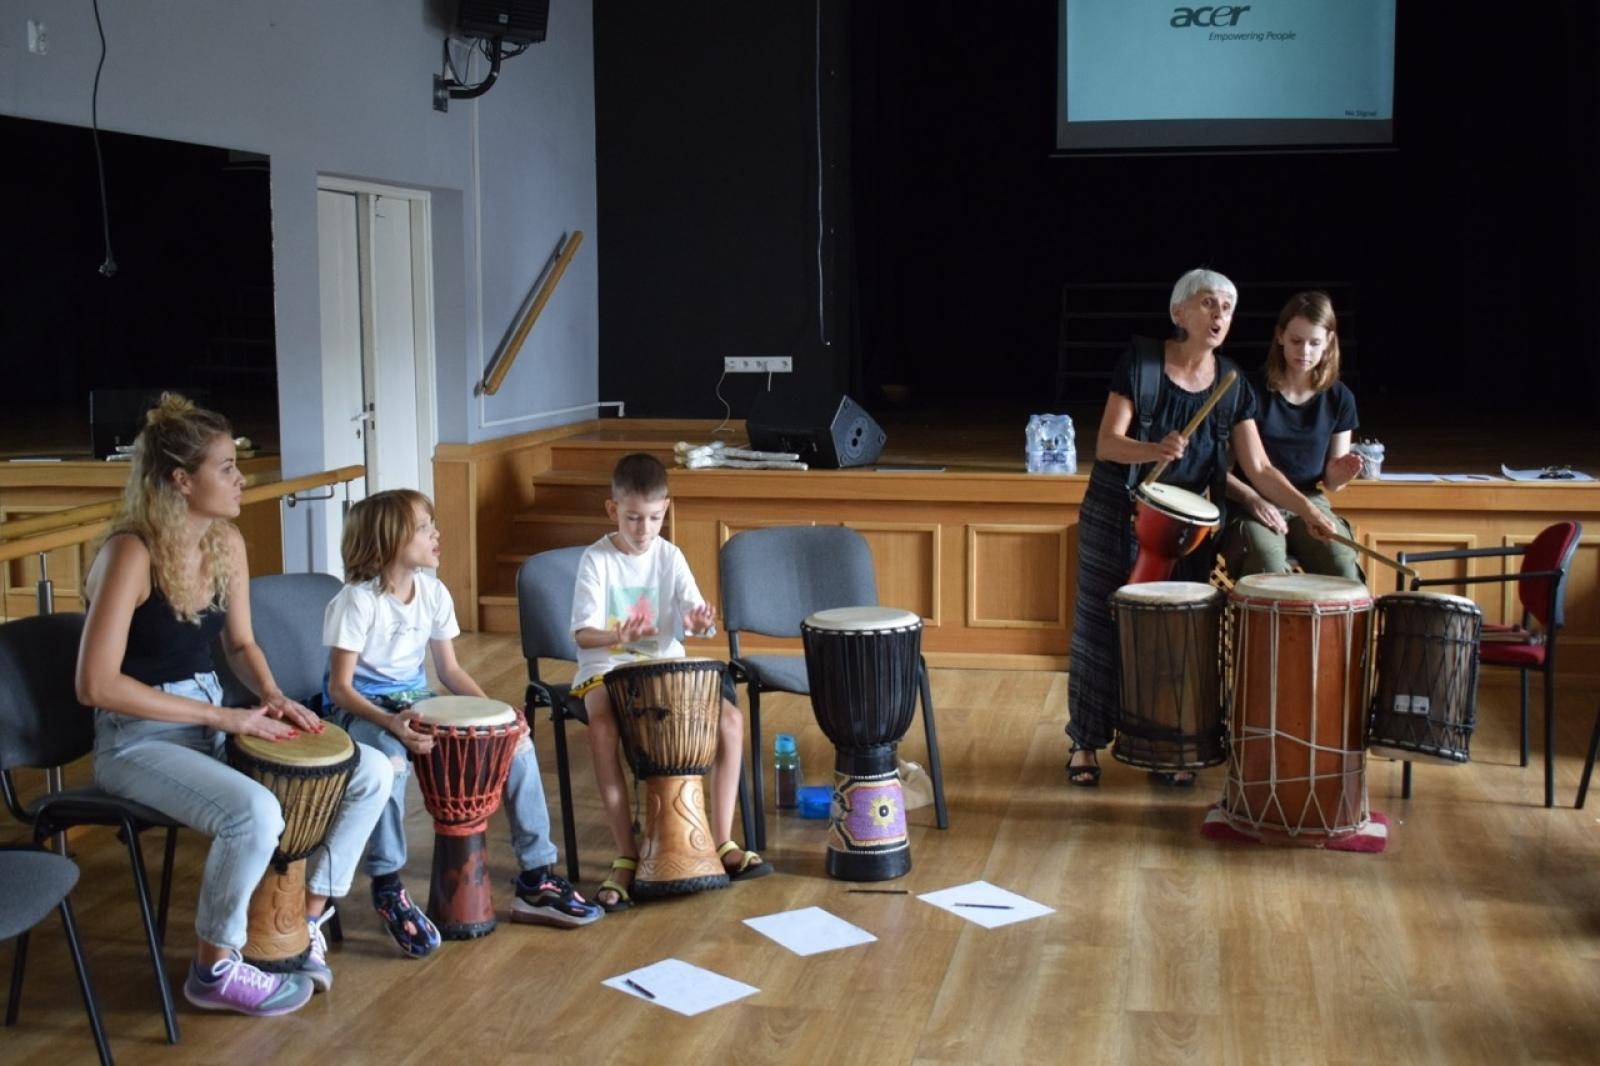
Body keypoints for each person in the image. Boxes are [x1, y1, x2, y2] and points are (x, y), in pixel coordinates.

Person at [77, 394, 392, 1016]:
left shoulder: (225, 542)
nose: (241, 477)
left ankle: (300, 925)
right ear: (181, 480)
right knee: (254, 813)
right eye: (226, 467)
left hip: (208, 722)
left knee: (370, 772)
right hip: (136, 739)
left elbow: (242, 641)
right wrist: (224, 717)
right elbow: (95, 685)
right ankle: (213, 968)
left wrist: (272, 696)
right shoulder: (130, 553)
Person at [1066, 269, 1340, 787]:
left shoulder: (1231, 383)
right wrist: (1154, 450)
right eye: (1209, 304)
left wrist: (1308, 509)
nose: (1220, 316)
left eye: (1228, 308)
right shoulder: (1141, 366)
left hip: (1184, 522)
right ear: (1179, 312)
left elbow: (1258, 469)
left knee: (1178, 633)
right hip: (1116, 510)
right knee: (1101, 627)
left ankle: (1168, 743)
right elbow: (1106, 443)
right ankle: (1084, 742)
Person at [323, 489, 602, 957]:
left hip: (417, 700)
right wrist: (391, 724)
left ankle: (536, 876)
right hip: (364, 709)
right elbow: (339, 689)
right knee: (388, 763)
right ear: (389, 539)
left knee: (517, 746)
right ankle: (388, 883)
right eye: (424, 527)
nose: (437, 534)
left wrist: (500, 715)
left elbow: (449, 672)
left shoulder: (433, 592)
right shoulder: (357, 601)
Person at [570, 453, 772, 911]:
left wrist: (700, 621)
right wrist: (617, 634)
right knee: (603, 727)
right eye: (633, 518)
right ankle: (625, 853)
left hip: (667, 669)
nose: (644, 530)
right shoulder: (596, 560)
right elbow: (582, 634)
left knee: (730, 722)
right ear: (612, 510)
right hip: (606, 670)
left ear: (667, 511)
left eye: (655, 518)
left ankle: (722, 841)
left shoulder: (671, 556)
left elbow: (695, 621)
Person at [1223, 291, 1364, 580]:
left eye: (1314, 343)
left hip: (1308, 499)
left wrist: (1338, 475)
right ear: (1280, 337)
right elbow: (1224, 471)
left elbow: (1332, 485)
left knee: (1341, 564)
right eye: (1297, 341)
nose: (1305, 351)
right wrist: (1251, 497)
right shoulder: (1249, 391)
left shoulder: (1340, 398)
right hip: (1255, 500)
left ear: (1329, 343)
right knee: (1267, 562)